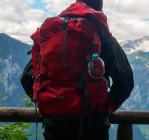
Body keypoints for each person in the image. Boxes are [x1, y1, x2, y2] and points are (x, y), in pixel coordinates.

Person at [21, 0, 134, 139]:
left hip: (54, 124)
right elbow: (126, 81)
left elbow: (27, 77)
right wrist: (105, 108)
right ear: (100, 7)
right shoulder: (100, 33)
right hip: (92, 124)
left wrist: (51, 101)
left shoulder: (52, 33)